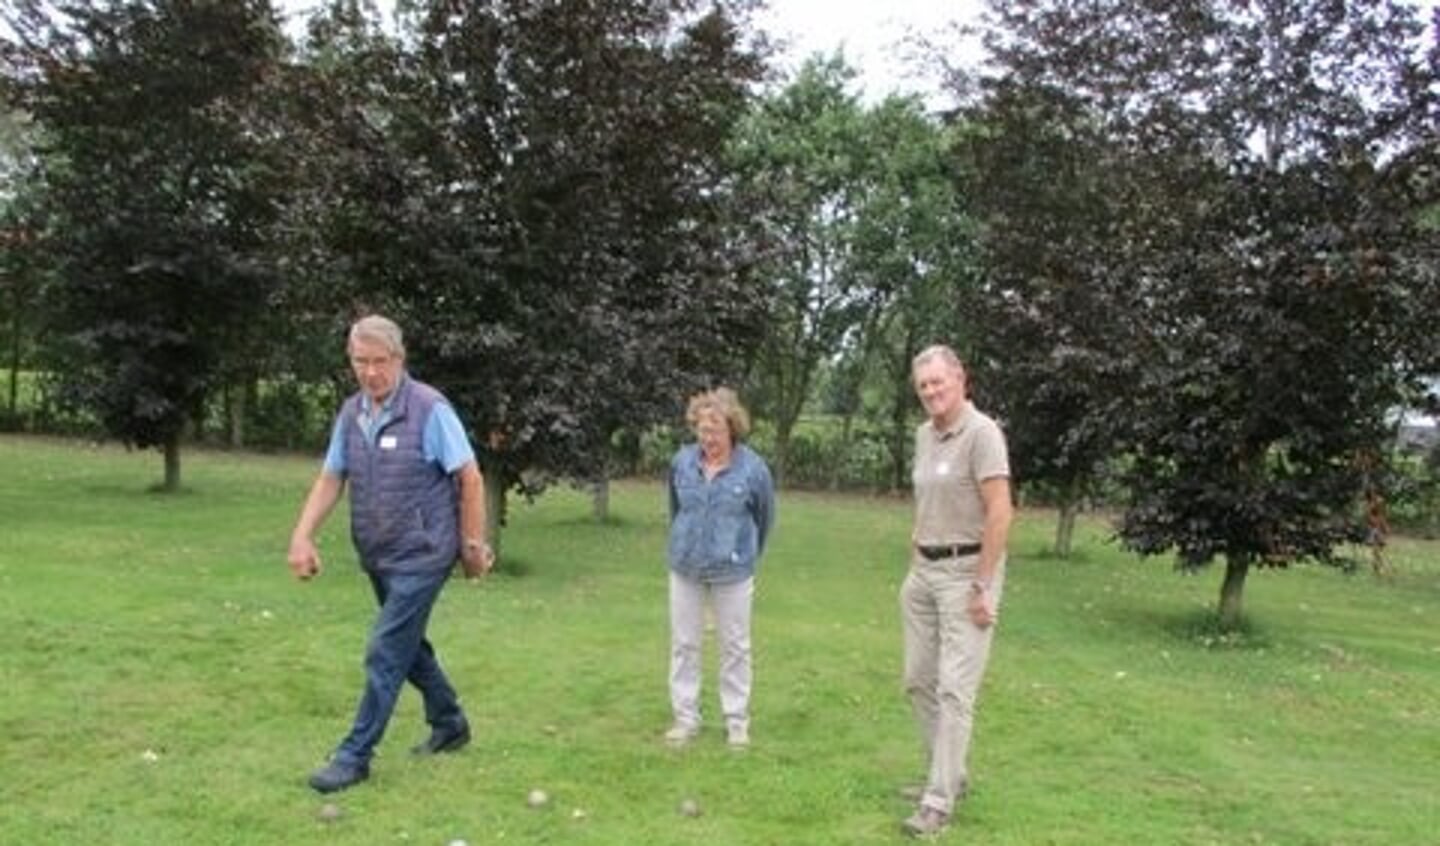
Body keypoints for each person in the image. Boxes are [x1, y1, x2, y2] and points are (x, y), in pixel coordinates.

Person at [286, 314, 494, 793]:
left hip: (424, 552)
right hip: (378, 554)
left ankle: (354, 755)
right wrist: (302, 536)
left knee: (385, 649)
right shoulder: (351, 413)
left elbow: (470, 477)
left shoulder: (429, 409)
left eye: (380, 361)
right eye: (361, 362)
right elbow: (331, 477)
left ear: (399, 360)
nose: (371, 372)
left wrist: (472, 546)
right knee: (408, 646)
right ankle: (450, 722)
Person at [899, 345, 1013, 837]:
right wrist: (914, 557)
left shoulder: (982, 433)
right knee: (918, 680)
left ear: (960, 378)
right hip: (923, 572)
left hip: (967, 572)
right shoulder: (925, 434)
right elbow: (928, 500)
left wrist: (983, 585)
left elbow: (1001, 511)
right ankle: (947, 774)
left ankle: (938, 800)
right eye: (923, 386)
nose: (930, 392)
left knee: (954, 689)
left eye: (937, 383)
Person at [664, 387, 775, 750]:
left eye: (715, 430)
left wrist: (742, 554)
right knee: (684, 644)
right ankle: (685, 718)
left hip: (733, 571)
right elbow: (676, 508)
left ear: (733, 430)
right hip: (685, 566)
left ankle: (736, 721)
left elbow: (764, 518)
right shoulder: (682, 462)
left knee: (735, 647)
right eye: (702, 429)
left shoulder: (754, 469)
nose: (708, 438)